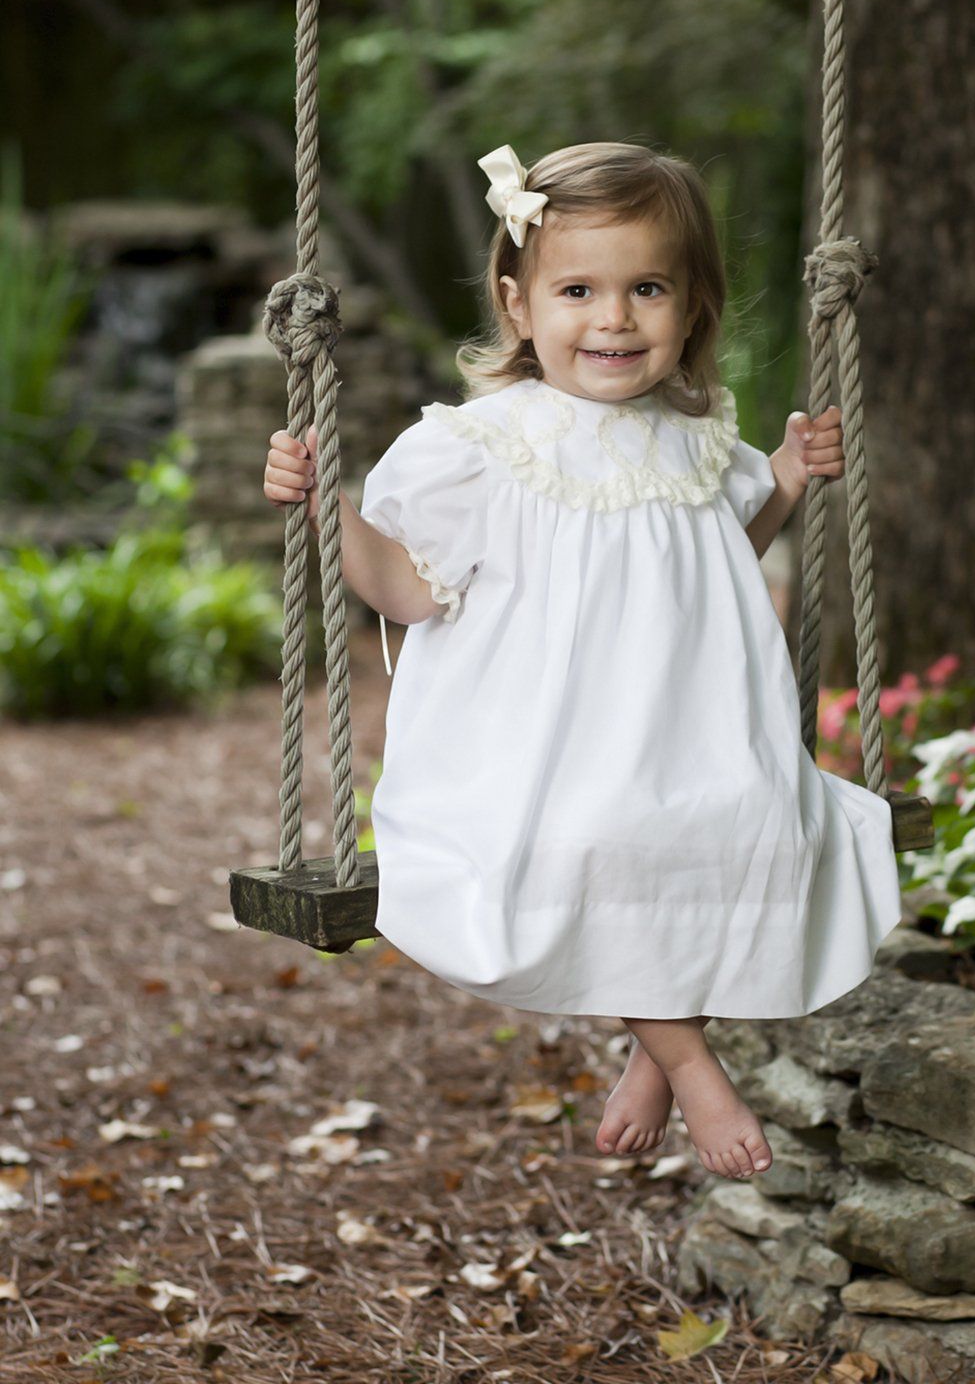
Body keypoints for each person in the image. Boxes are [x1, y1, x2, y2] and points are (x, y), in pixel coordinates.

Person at [263, 141, 902, 1181]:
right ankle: (687, 1064)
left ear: (691, 307)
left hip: (683, 726)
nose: (614, 318)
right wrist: (323, 509)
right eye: (578, 291)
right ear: (518, 305)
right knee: (595, 846)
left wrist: (785, 479)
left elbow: (720, 554)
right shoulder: (485, 446)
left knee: (756, 833)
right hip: (542, 742)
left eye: (647, 288)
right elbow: (408, 593)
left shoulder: (699, 436)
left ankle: (651, 1054)